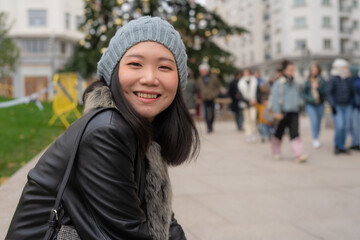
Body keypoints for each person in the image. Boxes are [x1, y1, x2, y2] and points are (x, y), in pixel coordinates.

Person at [6, 16, 199, 240]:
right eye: (135, 64)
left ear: (179, 80)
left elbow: (164, 220)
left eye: (164, 67)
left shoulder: (141, 129)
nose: (149, 78)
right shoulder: (107, 131)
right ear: (113, 73)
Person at [270, 60, 307, 163]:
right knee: (279, 133)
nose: (292, 72)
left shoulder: (296, 83)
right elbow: (275, 98)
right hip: (282, 112)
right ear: (285, 70)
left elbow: (300, 94)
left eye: (293, 70)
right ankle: (276, 152)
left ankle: (298, 155)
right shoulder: (279, 83)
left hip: (294, 111)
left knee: (295, 133)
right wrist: (277, 112)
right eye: (290, 70)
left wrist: (299, 103)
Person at [326, 58, 359, 154]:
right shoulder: (333, 79)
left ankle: (342, 146)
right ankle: (337, 145)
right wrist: (332, 105)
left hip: (347, 106)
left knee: (346, 126)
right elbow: (329, 93)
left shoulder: (348, 79)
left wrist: (357, 103)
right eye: (345, 67)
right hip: (338, 106)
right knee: (340, 126)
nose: (346, 69)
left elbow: (353, 92)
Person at [302, 63, 327, 148]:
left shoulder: (322, 81)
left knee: (319, 122)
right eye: (312, 70)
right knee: (314, 121)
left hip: (320, 104)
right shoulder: (308, 81)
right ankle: (315, 138)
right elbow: (304, 93)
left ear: (318, 70)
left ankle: (317, 136)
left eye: (315, 69)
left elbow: (325, 92)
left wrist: (318, 87)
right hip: (310, 104)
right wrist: (308, 98)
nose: (314, 71)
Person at [196, 62, 220, 133]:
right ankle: (208, 127)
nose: (201, 72)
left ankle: (211, 124)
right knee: (206, 113)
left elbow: (218, 87)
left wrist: (214, 94)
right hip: (204, 98)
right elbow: (197, 89)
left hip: (212, 98)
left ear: (206, 70)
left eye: (202, 71)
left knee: (212, 113)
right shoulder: (199, 79)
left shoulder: (214, 78)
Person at [238, 69, 258, 142]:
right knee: (247, 120)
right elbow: (240, 95)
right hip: (245, 104)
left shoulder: (254, 81)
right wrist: (248, 101)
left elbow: (258, 92)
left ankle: (253, 132)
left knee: (253, 118)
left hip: (253, 103)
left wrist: (255, 100)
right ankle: (248, 134)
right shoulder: (240, 83)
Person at [349, 64, 360, 151]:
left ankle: (357, 143)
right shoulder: (350, 81)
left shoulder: (356, 82)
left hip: (355, 107)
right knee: (350, 126)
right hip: (350, 106)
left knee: (355, 126)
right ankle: (355, 142)